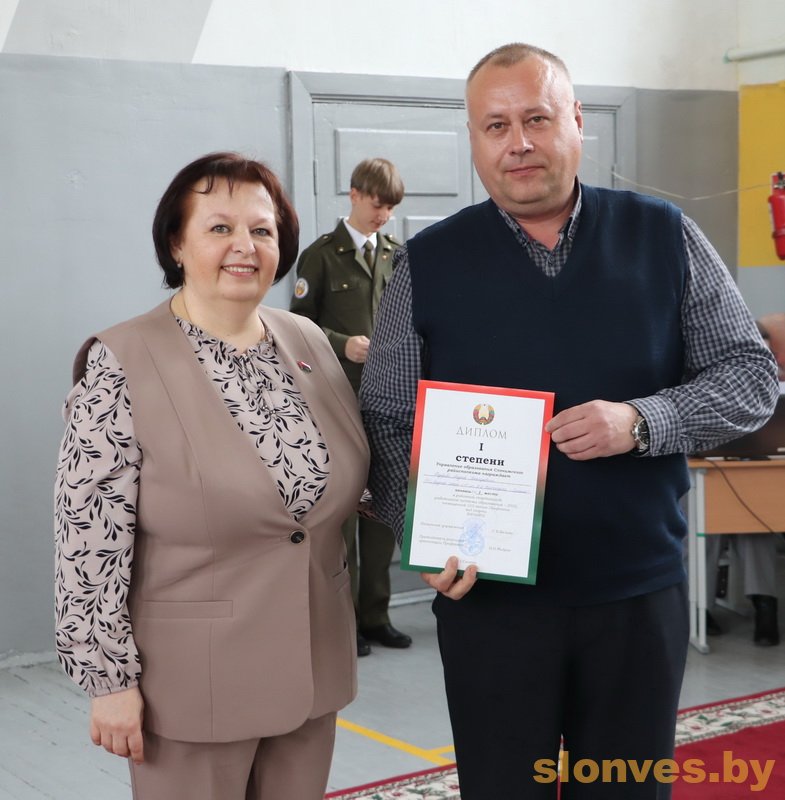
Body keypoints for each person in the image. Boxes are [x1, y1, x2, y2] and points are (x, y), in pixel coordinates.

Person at [359, 43, 779, 799]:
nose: (517, 143)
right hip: (488, 604)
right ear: (473, 139)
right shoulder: (427, 262)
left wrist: (643, 420)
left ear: (577, 121)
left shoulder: (664, 235)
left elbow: (750, 376)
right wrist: (421, 533)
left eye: (537, 119)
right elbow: (387, 419)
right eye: (495, 126)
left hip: (634, 597)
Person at [54, 152, 370, 800]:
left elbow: (345, 481)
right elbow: (88, 538)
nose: (244, 246)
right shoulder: (120, 361)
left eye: (262, 229)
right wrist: (108, 682)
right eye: (219, 227)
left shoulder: (309, 340)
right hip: (190, 689)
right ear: (176, 242)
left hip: (313, 669)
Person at [290, 157, 410, 657]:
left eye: (391, 208)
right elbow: (296, 328)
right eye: (377, 203)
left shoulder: (398, 255)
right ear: (355, 194)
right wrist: (342, 344)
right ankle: (346, 622)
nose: (383, 214)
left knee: (382, 513)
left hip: (387, 406)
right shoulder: (322, 256)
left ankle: (376, 615)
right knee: (342, 517)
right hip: (337, 402)